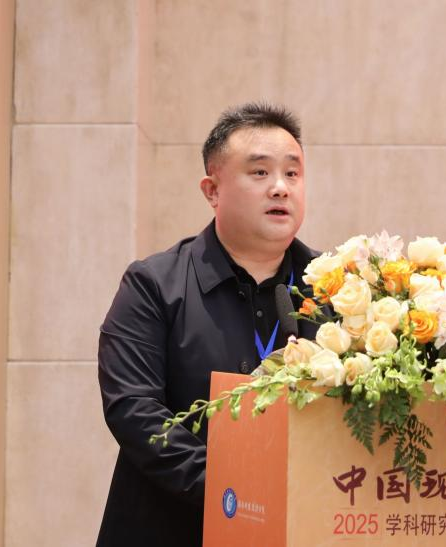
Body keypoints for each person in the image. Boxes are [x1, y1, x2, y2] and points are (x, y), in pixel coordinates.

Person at [96, 103, 320, 546]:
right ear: (212, 190)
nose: (280, 187)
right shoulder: (154, 285)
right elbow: (134, 410)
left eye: (292, 174)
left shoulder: (336, 287)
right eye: (260, 172)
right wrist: (237, 493)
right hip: (170, 528)